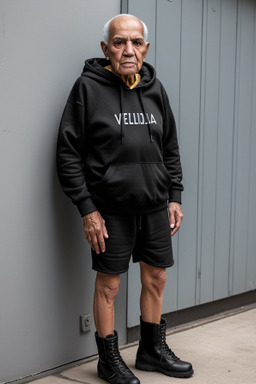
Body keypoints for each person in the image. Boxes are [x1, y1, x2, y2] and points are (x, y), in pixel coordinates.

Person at [57, 13, 193, 384]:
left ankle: (151, 351)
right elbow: (67, 154)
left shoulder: (155, 88)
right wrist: (88, 209)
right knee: (110, 285)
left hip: (153, 204)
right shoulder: (87, 89)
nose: (128, 50)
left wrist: (174, 196)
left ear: (145, 48)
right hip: (109, 210)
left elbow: (170, 148)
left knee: (157, 278)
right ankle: (108, 360)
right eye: (119, 42)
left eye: (136, 43)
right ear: (106, 48)